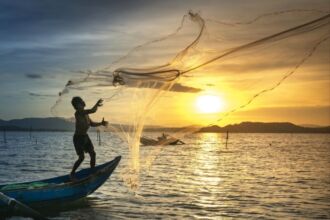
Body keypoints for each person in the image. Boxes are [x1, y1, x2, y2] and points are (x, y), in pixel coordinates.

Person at [70, 97, 108, 181]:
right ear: (77, 105)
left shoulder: (86, 114)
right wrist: (97, 104)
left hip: (85, 137)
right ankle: (72, 173)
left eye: (82, 100)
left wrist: (101, 123)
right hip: (78, 138)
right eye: (80, 102)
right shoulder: (79, 112)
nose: (83, 102)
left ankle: (92, 172)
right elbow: (92, 110)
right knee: (81, 157)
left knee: (93, 154)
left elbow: (92, 124)